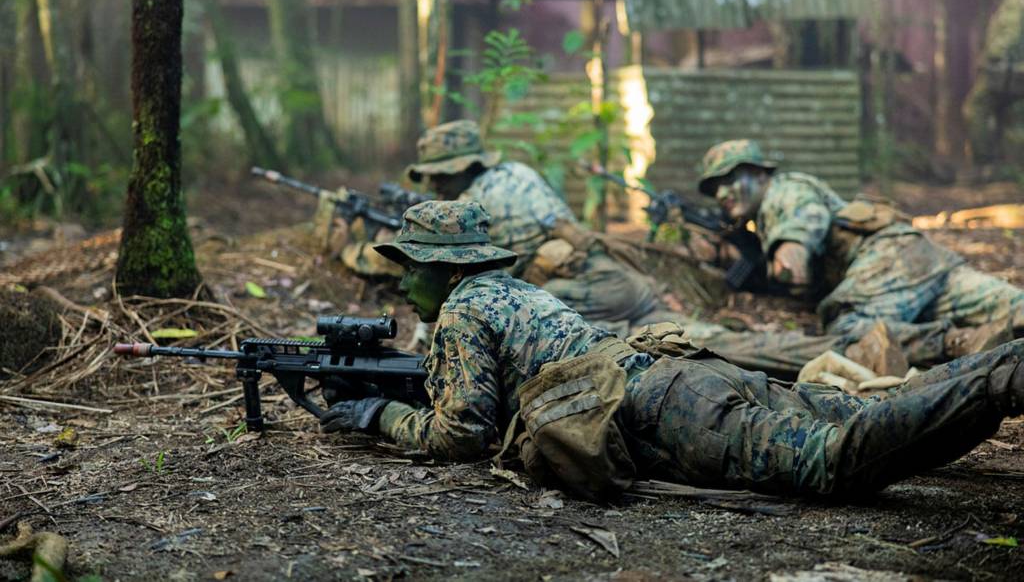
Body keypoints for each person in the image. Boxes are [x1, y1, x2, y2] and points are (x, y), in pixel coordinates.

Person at [319, 200, 1024, 498]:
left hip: (669, 410)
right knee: (848, 409)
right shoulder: (511, 291)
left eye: (408, 266)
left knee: (834, 459)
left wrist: (379, 415)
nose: (400, 281)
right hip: (683, 374)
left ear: (444, 269)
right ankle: (997, 364)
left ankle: (1003, 377)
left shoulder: (462, 310)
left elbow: (462, 434)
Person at [402, 120, 844, 378]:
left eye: (441, 174)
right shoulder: (514, 175)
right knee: (690, 339)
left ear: (465, 167)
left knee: (578, 339)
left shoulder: (472, 202)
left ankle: (831, 352)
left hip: (588, 288)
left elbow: (459, 281)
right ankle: (825, 351)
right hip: (607, 280)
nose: (435, 183)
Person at [697, 139, 1024, 368]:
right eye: (714, 189)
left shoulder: (784, 192)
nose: (721, 193)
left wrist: (784, 259)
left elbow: (800, 238)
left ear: (760, 174)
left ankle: (959, 341)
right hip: (920, 259)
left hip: (887, 261)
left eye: (730, 179)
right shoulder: (767, 213)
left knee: (847, 327)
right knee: (1012, 307)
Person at [962, 0, 1024, 166]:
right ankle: (1011, 167)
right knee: (1012, 120)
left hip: (1004, 72)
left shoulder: (1012, 6)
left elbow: (1010, 36)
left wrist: (989, 57)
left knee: (975, 109)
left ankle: (985, 162)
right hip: (1013, 73)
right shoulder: (1015, 4)